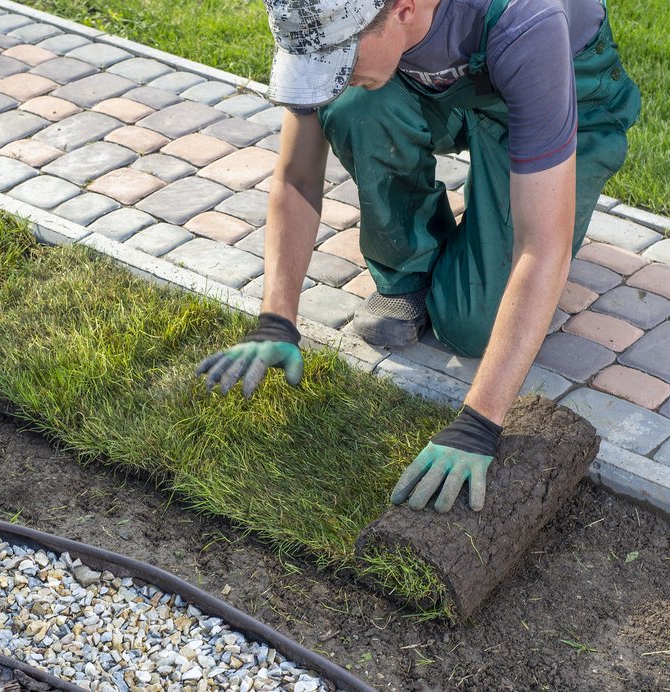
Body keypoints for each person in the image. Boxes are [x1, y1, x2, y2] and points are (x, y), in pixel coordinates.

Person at [194, 0, 640, 513]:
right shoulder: (322, 14)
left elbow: (542, 246)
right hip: (441, 83)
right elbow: (296, 177)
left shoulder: (527, 20)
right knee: (353, 105)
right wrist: (276, 319)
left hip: (566, 86)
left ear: (404, 10)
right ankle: (412, 273)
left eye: (340, 60)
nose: (331, 75)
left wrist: (479, 423)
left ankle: (491, 217)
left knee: (472, 328)